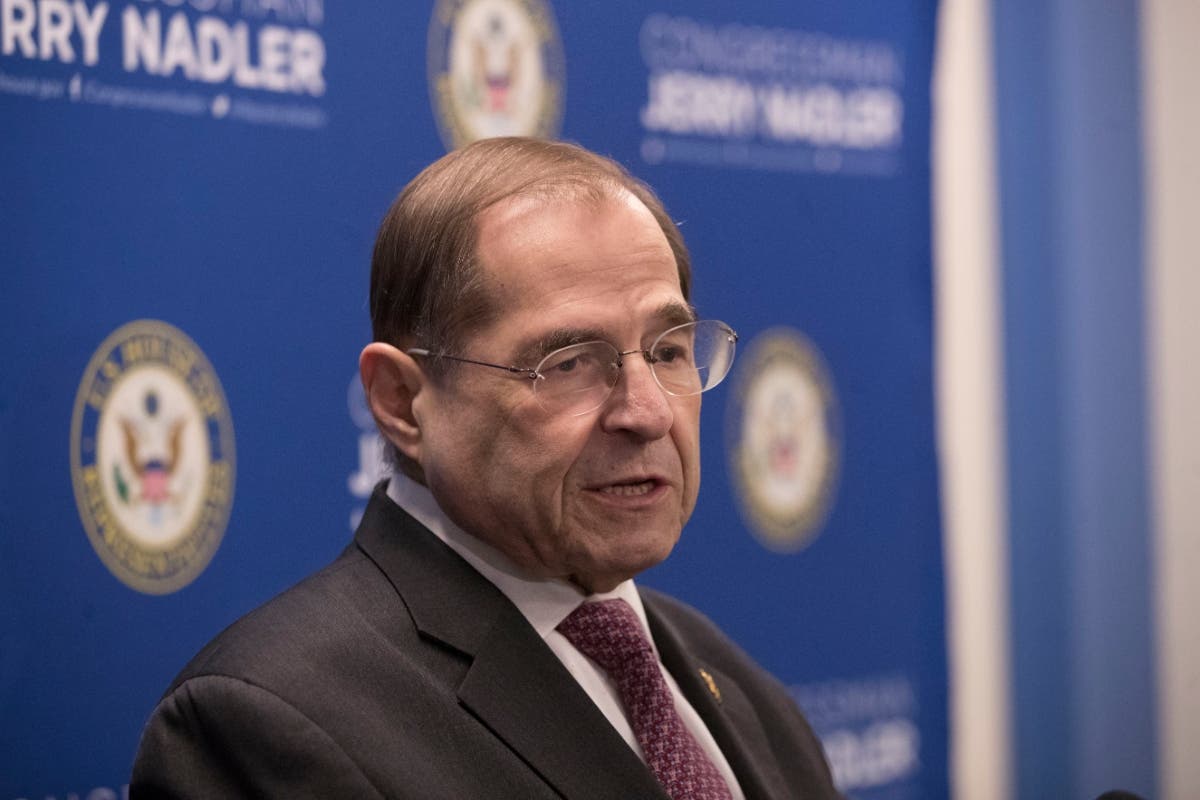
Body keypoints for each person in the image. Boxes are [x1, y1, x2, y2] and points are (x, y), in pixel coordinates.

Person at [130, 137, 841, 799]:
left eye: (668, 350)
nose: (648, 413)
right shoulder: (264, 721)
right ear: (403, 403)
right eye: (568, 363)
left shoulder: (742, 689)